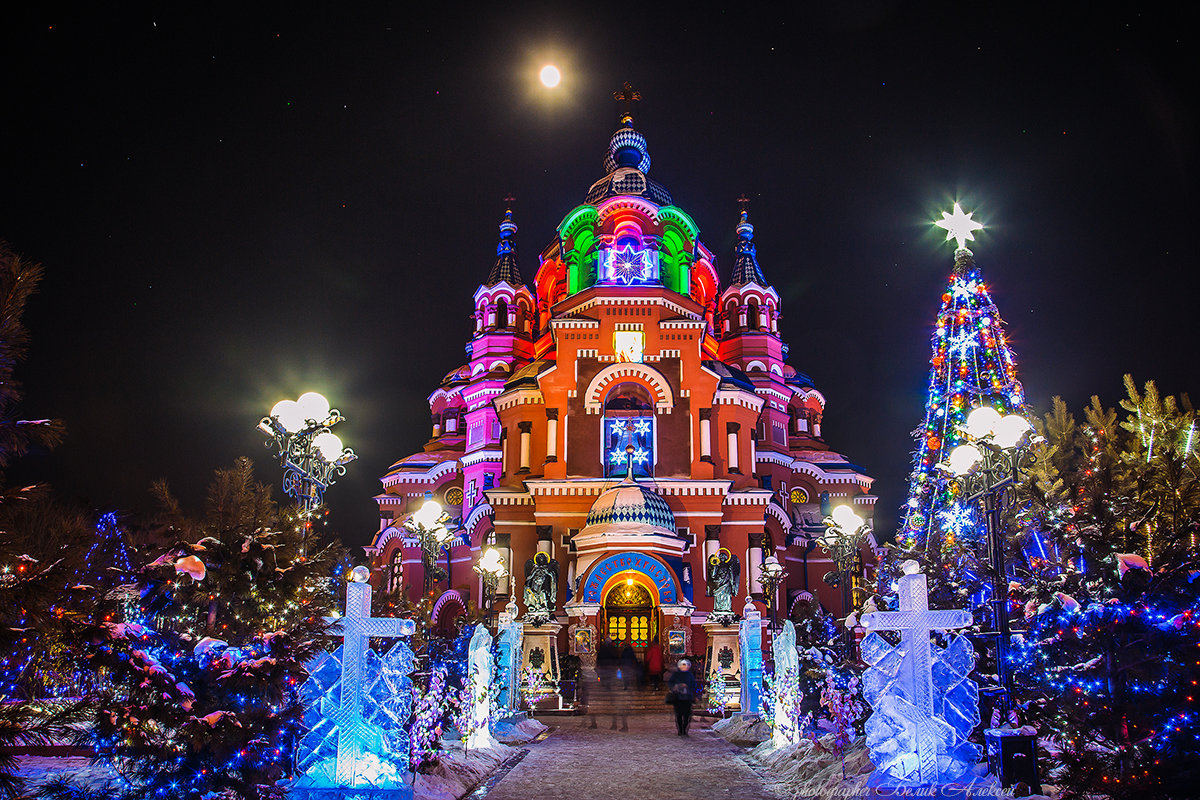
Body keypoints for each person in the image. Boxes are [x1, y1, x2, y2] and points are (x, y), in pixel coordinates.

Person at [667, 658, 698, 736]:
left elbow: (694, 685)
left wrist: (688, 688)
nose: (684, 667)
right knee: (679, 715)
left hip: (687, 698)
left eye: (686, 665)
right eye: (683, 665)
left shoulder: (690, 675)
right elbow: (670, 683)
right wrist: (677, 686)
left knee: (687, 715)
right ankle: (680, 730)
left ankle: (684, 729)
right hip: (678, 698)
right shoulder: (676, 674)